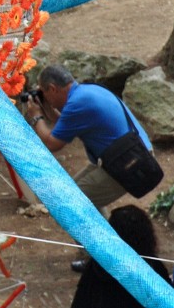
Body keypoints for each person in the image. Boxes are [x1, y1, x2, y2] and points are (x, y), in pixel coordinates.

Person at [24, 63, 158, 271]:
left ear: (52, 88)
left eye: (44, 92)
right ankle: (102, 254)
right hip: (129, 156)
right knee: (81, 196)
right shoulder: (87, 92)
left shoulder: (78, 104)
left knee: (67, 202)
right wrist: (47, 109)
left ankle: (102, 259)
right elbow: (66, 126)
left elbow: (53, 143)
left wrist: (36, 117)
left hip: (128, 164)